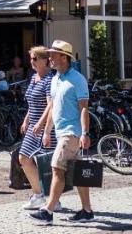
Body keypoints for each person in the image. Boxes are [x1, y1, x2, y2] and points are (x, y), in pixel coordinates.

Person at [31, 40, 94, 223]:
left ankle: (48, 210)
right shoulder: (55, 79)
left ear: (64, 58)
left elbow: (84, 108)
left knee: (57, 167)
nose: (50, 57)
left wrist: (85, 133)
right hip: (60, 133)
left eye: (53, 54)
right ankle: (87, 211)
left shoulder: (77, 79)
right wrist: (46, 131)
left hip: (71, 133)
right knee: (78, 172)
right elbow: (53, 108)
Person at [17, 47, 54, 211]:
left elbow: (50, 105)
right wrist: (26, 120)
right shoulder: (33, 78)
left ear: (45, 60)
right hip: (33, 127)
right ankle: (39, 195)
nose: (31, 62)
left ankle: (51, 198)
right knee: (24, 158)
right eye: (31, 59)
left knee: (47, 165)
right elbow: (32, 102)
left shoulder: (49, 79)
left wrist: (41, 123)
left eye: (35, 59)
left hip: (45, 127)